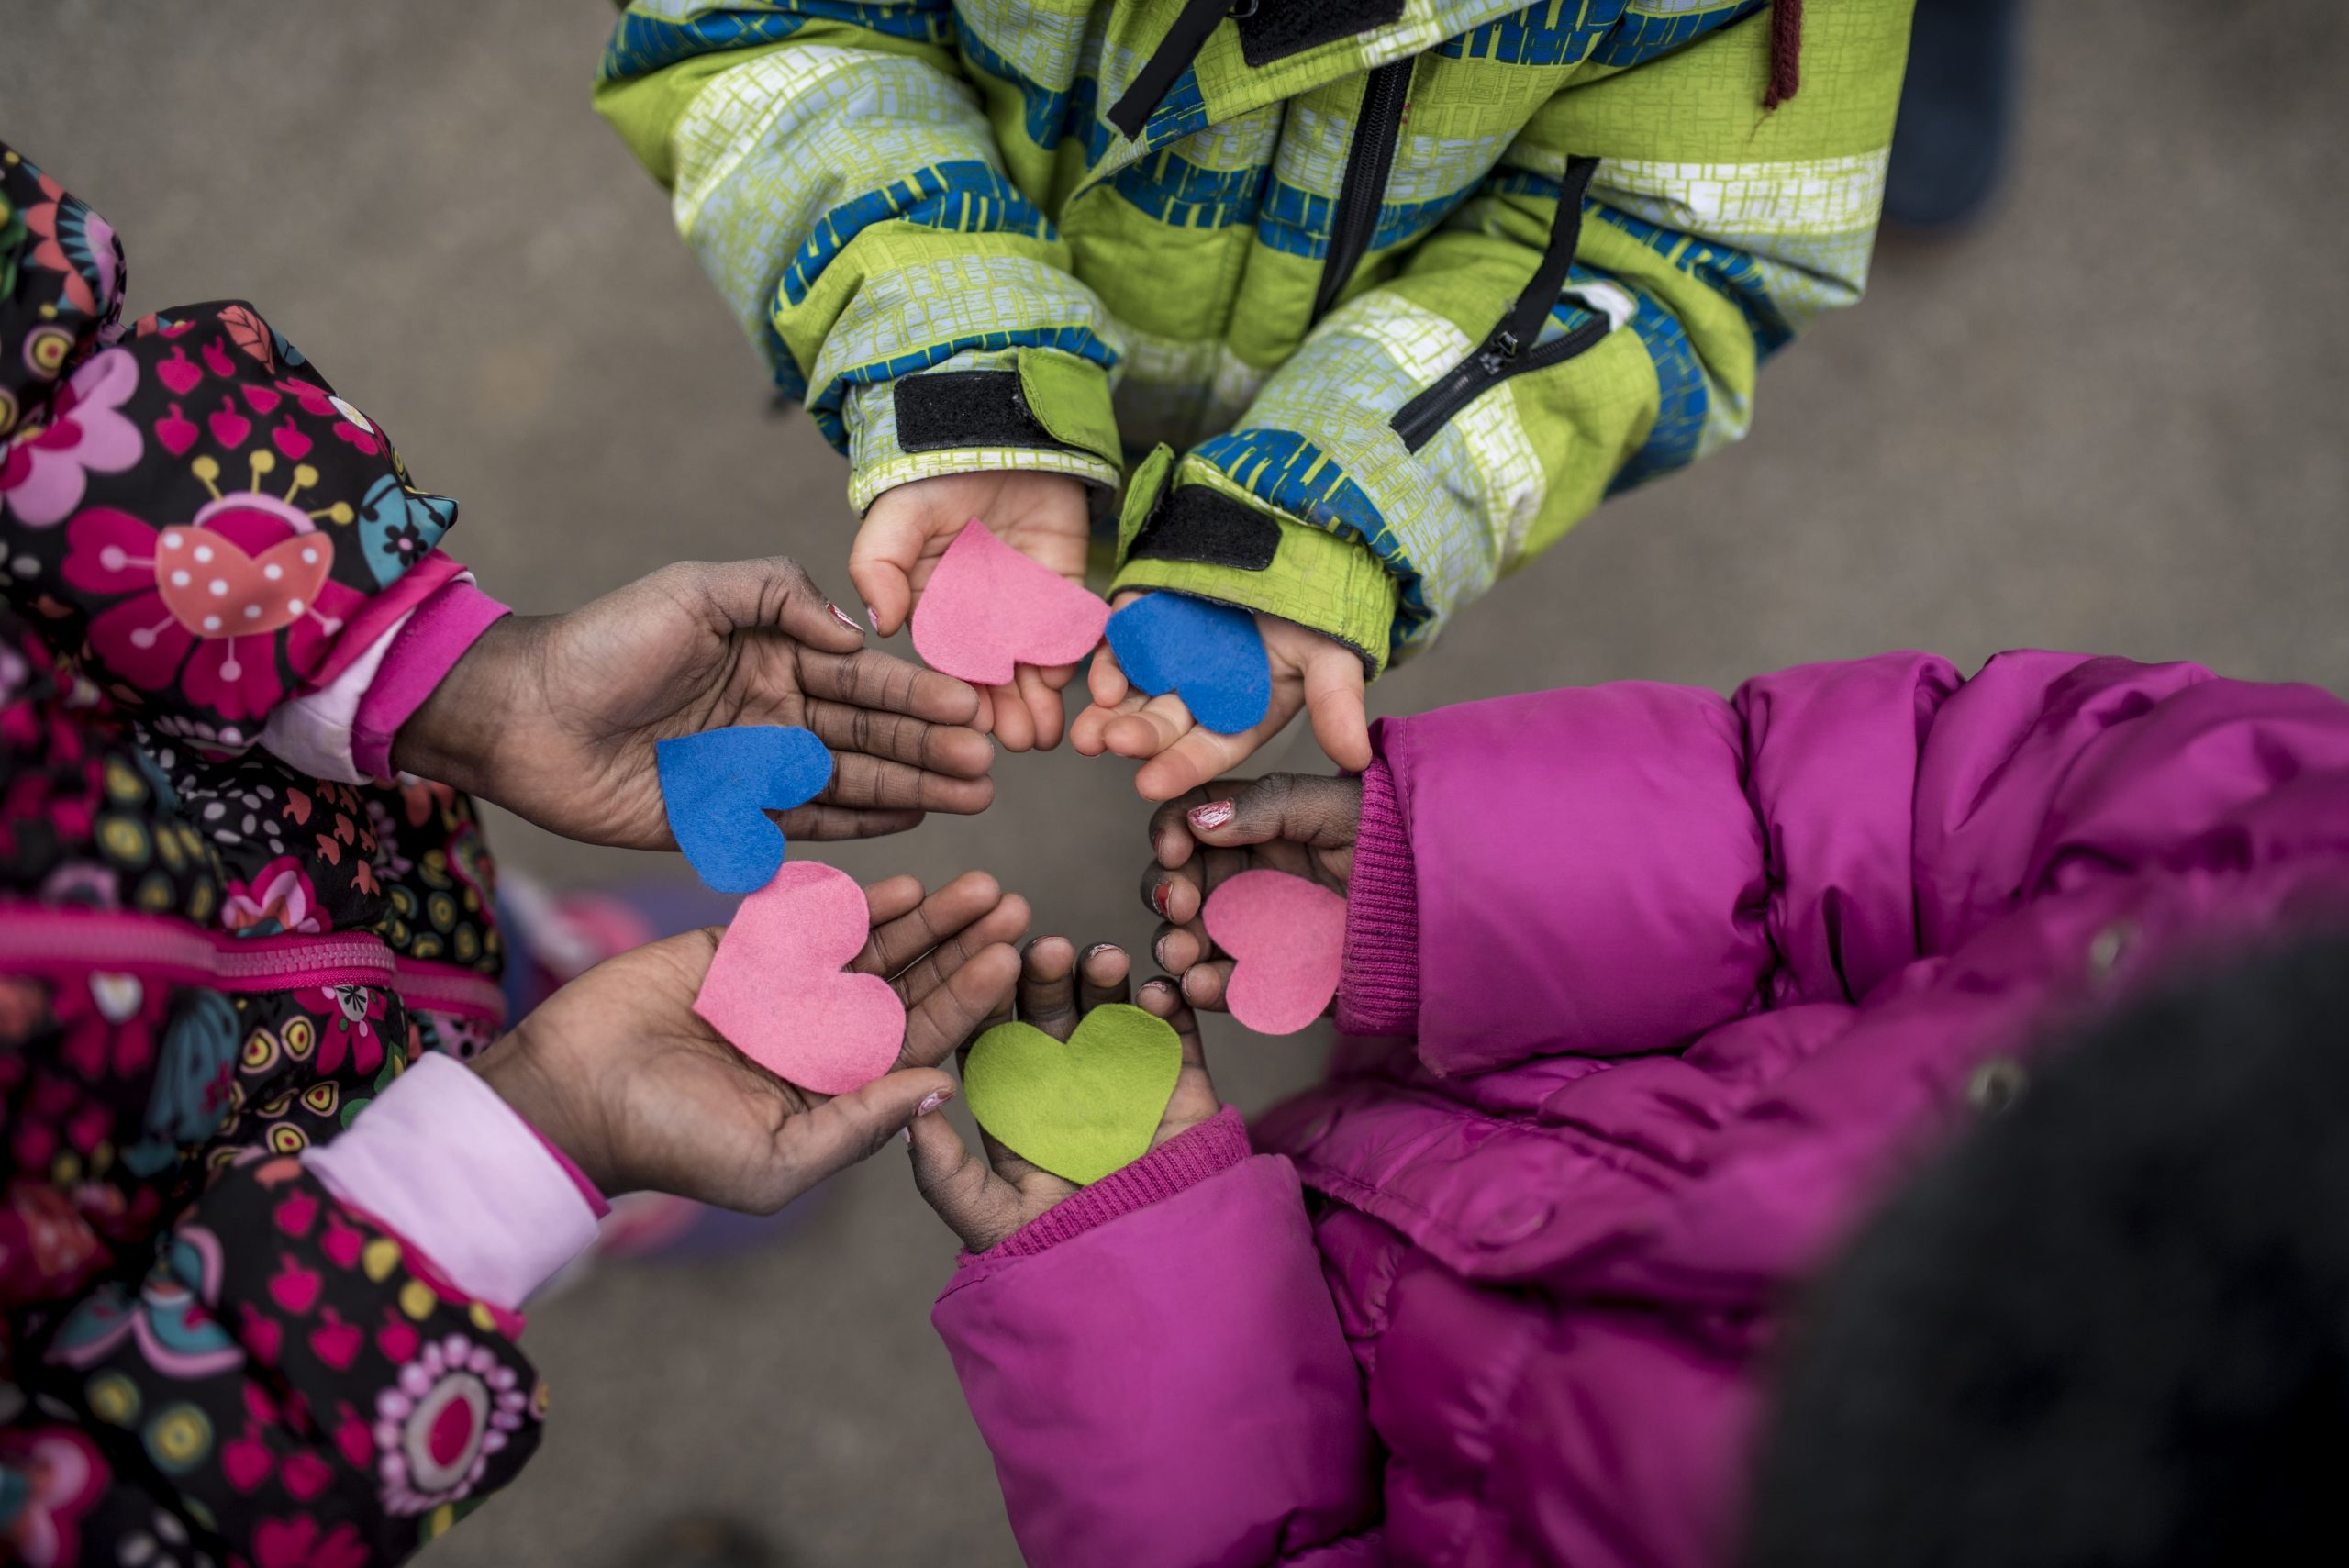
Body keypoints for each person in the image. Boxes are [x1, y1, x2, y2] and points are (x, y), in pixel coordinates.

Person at [0, 141, 1024, 1565]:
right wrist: (492, 1175)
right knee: (523, 1063)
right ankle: (535, 1139)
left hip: (309, 846)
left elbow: (36, 358)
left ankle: (530, 996)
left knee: (483, 951)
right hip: (263, 1231)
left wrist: (441, 677)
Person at [906, 649, 2349, 1566]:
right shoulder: (2297, 888)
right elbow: (1956, 806)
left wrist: (1142, 1298)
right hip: (1533, 1086)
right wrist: (1472, 875)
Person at [594, 0, 1915, 794]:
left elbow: (1678, 256)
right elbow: (759, 20)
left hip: (1366, 406)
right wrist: (952, 359)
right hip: (975, 324)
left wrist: (1335, 515)